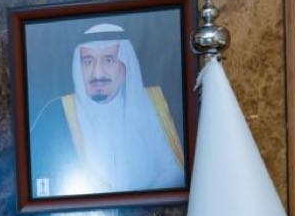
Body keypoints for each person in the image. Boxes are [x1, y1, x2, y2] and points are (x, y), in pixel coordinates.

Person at [29, 23, 184, 198]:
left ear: (126, 65)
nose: (97, 74)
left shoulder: (154, 105)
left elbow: (176, 171)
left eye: (109, 60)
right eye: (88, 62)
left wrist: (137, 204)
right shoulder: (55, 115)